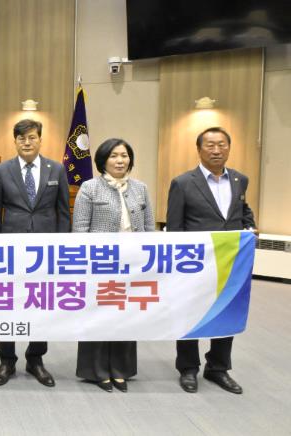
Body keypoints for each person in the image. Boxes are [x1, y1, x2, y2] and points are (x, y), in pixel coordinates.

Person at [167, 126, 254, 395]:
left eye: (222, 145)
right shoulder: (183, 183)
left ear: (229, 148)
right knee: (190, 313)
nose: (217, 150)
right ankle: (188, 368)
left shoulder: (240, 180)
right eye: (210, 145)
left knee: (227, 311)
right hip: (194, 264)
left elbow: (242, 211)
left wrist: (250, 227)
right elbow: (175, 227)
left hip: (230, 263)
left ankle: (218, 367)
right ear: (199, 149)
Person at [0, 119, 69, 387]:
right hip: (11, 249)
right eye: (21, 138)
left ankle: (35, 359)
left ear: (40, 140)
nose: (27, 142)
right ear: (15, 141)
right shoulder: (2, 170)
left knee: (41, 303)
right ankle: (7, 360)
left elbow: (63, 212)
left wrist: (62, 247)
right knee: (8, 303)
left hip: (46, 250)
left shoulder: (56, 169)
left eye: (32, 137)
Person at [72, 138, 155, 392]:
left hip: (132, 264)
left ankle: (121, 369)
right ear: (103, 160)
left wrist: (146, 259)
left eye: (124, 156)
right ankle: (97, 371)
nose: (120, 161)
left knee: (126, 315)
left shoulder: (140, 188)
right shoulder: (90, 188)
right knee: (99, 316)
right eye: (114, 156)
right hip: (100, 263)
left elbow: (149, 227)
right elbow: (80, 229)